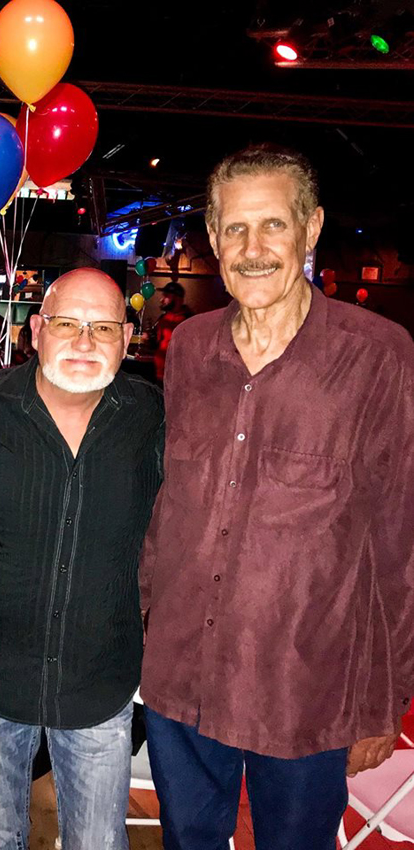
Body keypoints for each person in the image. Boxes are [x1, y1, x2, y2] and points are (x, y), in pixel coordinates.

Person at [139, 144, 414, 850]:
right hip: (181, 675)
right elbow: (171, 502)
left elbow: (398, 541)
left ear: (310, 227)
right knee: (186, 840)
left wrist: (384, 696)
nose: (252, 248)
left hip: (302, 687)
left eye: (272, 225)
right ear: (212, 236)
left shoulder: (378, 356)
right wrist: (143, 612)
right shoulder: (190, 348)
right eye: (234, 228)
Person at [0, 268, 164, 850]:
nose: (85, 341)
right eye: (67, 323)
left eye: (103, 328)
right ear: (36, 330)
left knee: (98, 841)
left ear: (127, 338)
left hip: (100, 678)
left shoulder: (155, 417)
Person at [149, 282, 192, 384]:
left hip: (177, 377)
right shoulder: (163, 318)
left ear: (177, 298)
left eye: (166, 296)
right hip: (159, 374)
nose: (162, 300)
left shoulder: (189, 320)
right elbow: (158, 343)